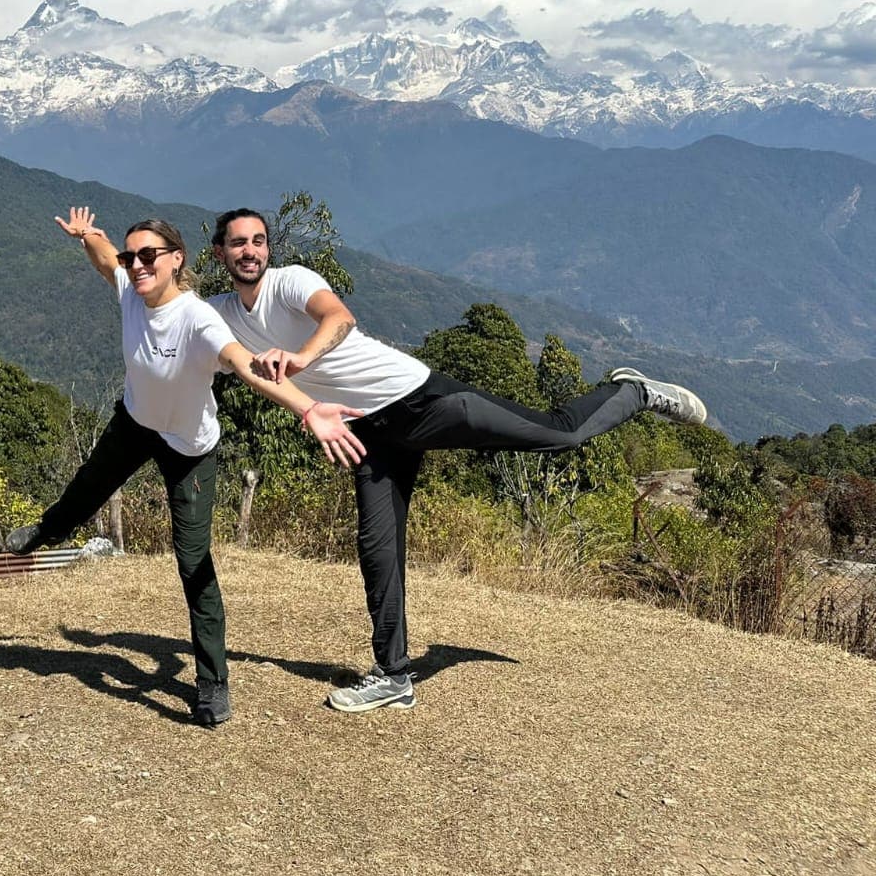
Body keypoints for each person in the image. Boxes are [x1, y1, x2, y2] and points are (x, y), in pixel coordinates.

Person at [206, 207, 708, 714]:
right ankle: (393, 674)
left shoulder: (292, 282)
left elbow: (339, 318)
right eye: (238, 243)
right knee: (378, 547)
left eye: (259, 241)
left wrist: (300, 359)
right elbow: (155, 299)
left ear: (268, 247)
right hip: (367, 432)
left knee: (560, 433)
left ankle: (633, 391)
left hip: (422, 401)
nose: (250, 251)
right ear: (219, 253)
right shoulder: (221, 313)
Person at [5, 207, 366, 728]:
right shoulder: (130, 287)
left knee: (193, 563)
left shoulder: (198, 318)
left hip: (190, 447)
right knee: (85, 490)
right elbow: (106, 260)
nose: (137, 264)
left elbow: (245, 366)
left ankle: (213, 684)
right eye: (134, 256)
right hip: (135, 424)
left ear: (177, 260)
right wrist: (90, 237)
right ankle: (46, 531)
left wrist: (308, 408)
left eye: (148, 255)